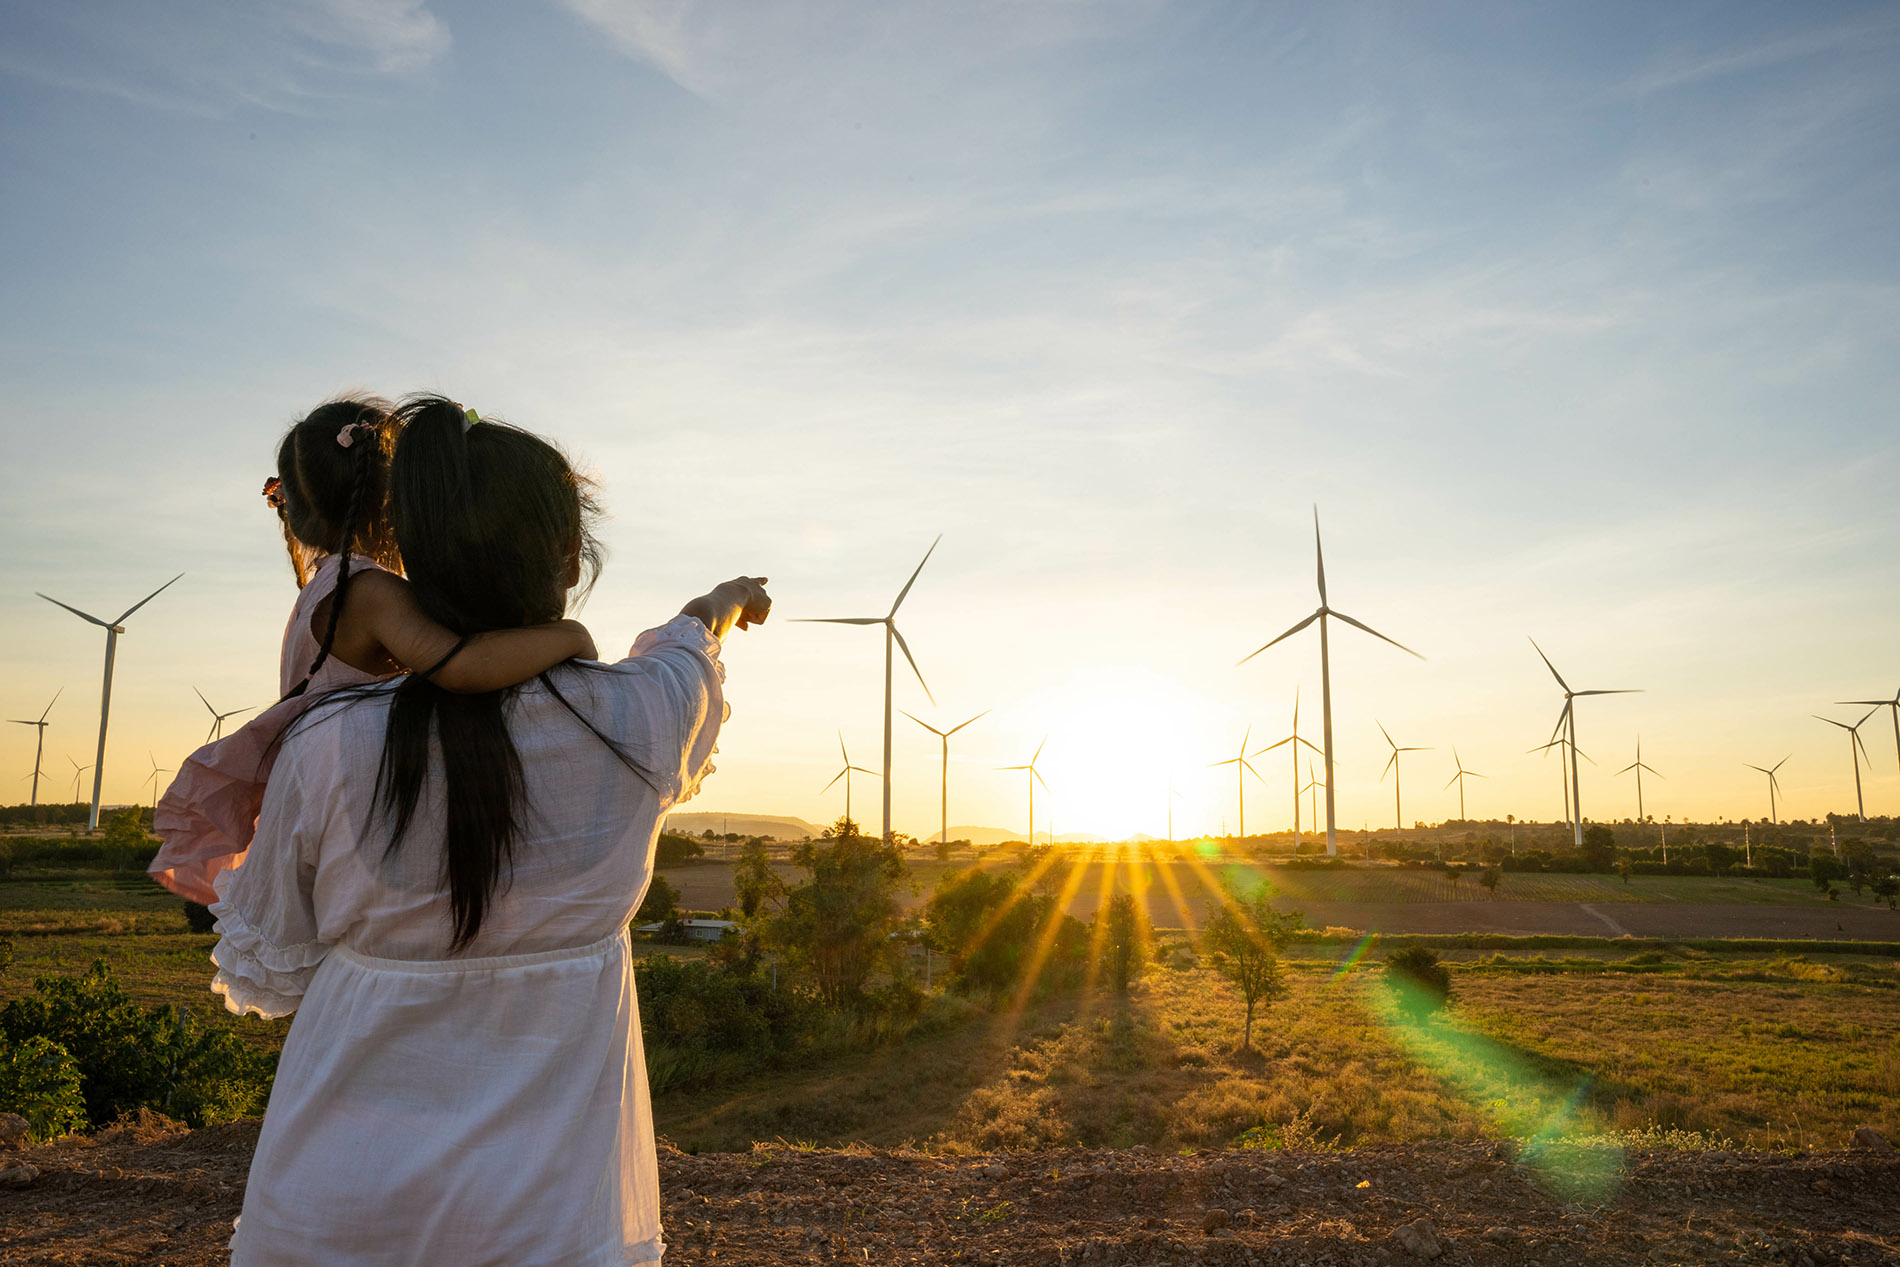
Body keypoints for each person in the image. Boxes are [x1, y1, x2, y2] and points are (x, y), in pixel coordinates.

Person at [208, 394, 770, 1265]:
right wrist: (731, 596)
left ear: (411, 558)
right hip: (556, 1217)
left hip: (336, 1204)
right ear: (571, 556)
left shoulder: (325, 744)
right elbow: (689, 639)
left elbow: (271, 963)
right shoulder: (642, 715)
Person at [151, 395, 592, 903]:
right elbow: (459, 666)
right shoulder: (371, 591)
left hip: (321, 785)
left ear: (294, 513)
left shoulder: (326, 586)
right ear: (399, 504)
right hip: (350, 790)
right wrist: (568, 637)